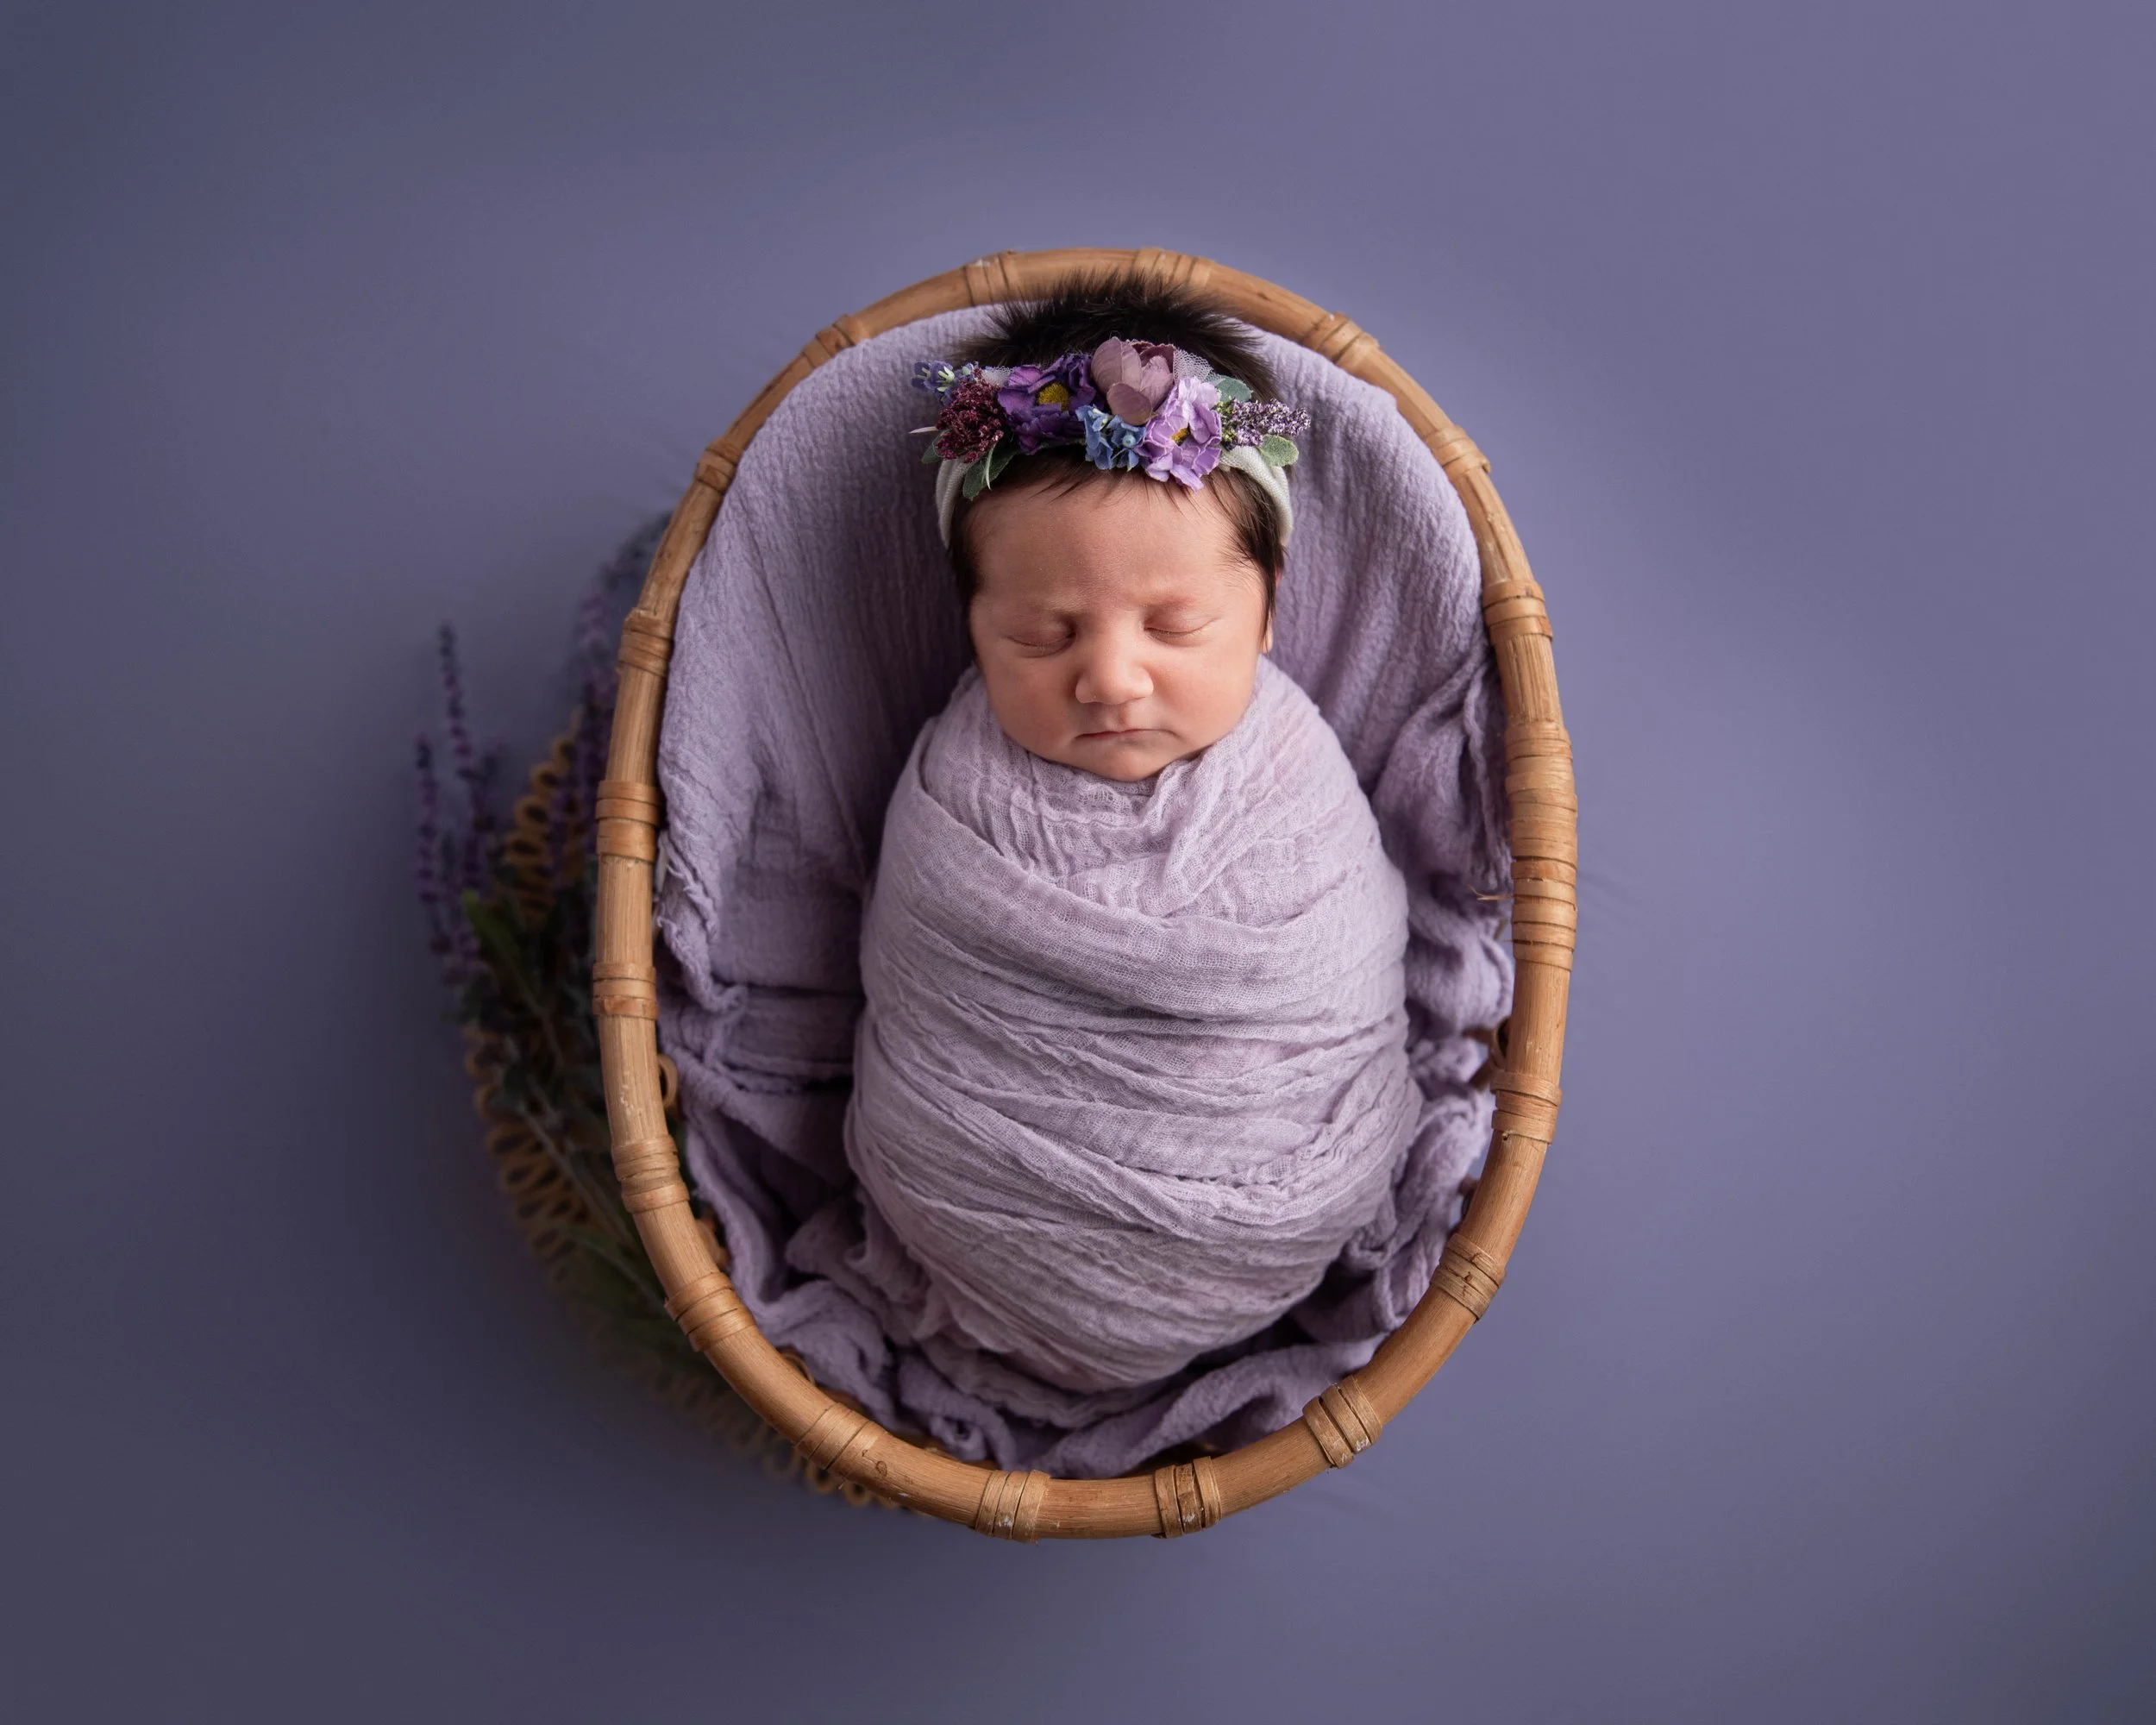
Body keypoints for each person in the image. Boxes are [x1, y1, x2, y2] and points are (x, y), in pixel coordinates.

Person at [836, 271, 1430, 1402]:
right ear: (970, 628)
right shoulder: (954, 788)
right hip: (976, 1212)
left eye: (1175, 625)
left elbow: (1335, 970)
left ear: (1267, 608)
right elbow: (918, 979)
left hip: (1261, 1228)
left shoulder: (1291, 780)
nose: (1109, 676)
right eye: (1040, 633)